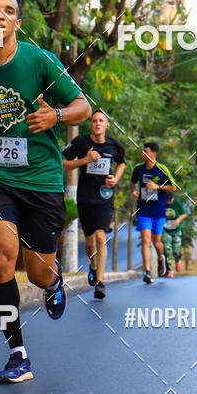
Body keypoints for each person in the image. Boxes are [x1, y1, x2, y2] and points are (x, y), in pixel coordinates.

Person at [0, 0, 91, 384]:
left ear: (17, 23)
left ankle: (54, 279)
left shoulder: (40, 61)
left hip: (43, 177)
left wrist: (57, 117)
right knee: (0, 256)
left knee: (38, 274)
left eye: (8, 11)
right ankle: (17, 353)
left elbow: (84, 107)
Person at [62, 109, 126, 300]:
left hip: (105, 197)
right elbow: (63, 162)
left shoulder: (115, 145)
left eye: (101, 121)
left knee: (101, 237)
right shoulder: (82, 143)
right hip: (85, 197)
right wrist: (85, 160)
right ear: (91, 124)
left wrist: (116, 178)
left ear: (107, 125)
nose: (97, 123)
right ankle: (93, 265)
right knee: (90, 241)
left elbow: (121, 163)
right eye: (94, 121)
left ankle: (100, 283)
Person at [130, 143, 176, 283]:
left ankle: (161, 258)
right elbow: (132, 183)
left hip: (159, 211)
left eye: (146, 151)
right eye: (142, 151)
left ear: (154, 153)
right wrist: (133, 191)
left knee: (157, 243)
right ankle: (147, 272)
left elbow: (173, 187)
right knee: (145, 240)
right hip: (143, 210)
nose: (143, 153)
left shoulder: (162, 169)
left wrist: (158, 186)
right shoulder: (138, 169)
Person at [161, 191, 187, 277]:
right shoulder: (162, 203)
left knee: (176, 250)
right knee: (167, 249)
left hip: (176, 229)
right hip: (166, 229)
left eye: (170, 200)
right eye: (167, 200)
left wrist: (178, 220)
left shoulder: (177, 203)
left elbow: (184, 214)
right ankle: (170, 270)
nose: (168, 202)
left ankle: (178, 261)